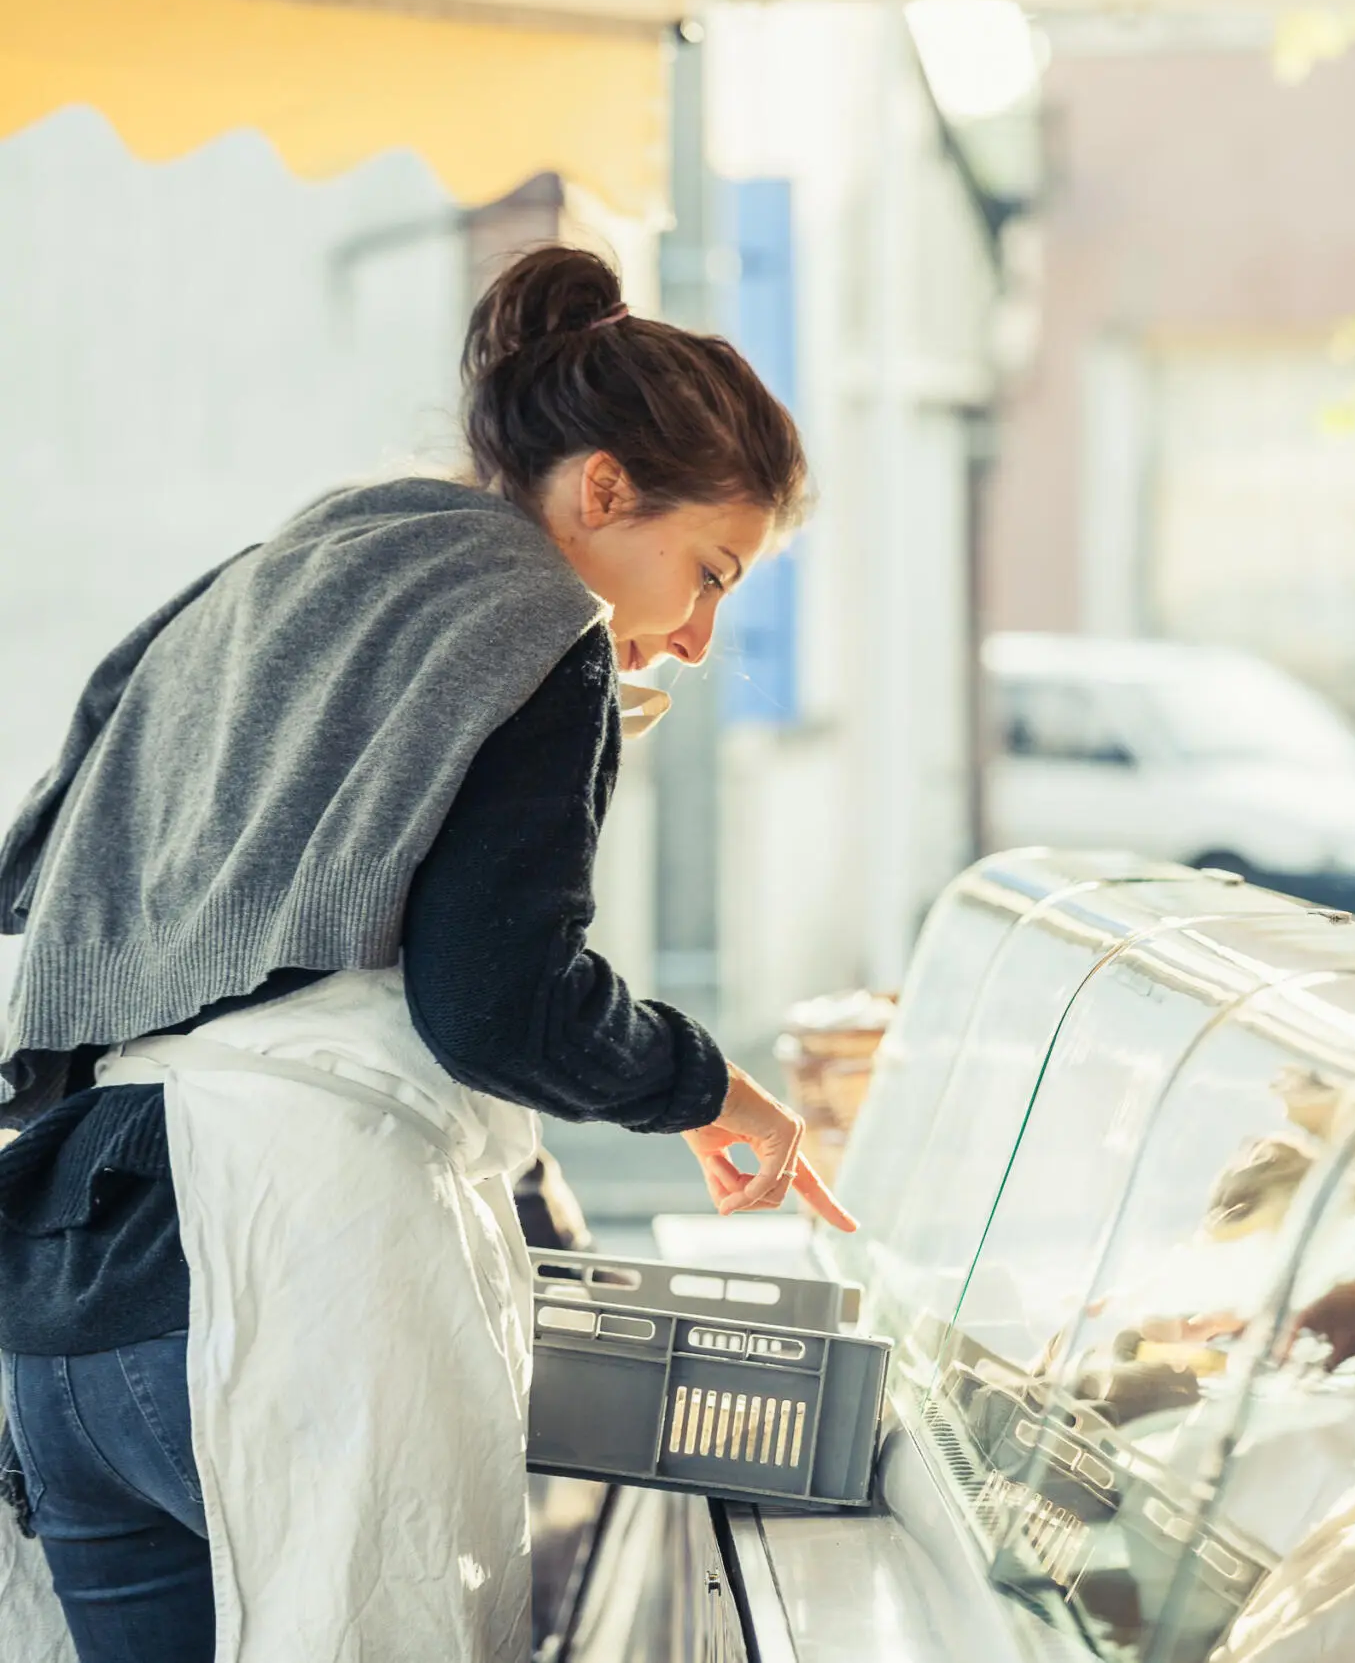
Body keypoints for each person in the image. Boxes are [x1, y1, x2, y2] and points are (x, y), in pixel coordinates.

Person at [0, 246, 854, 1663]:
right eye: (708, 572)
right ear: (601, 492)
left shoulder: (282, 573)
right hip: (279, 1276)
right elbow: (494, 1001)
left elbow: (52, 866)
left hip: (68, 1279)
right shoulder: (536, 623)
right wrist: (709, 1088)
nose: (698, 638)